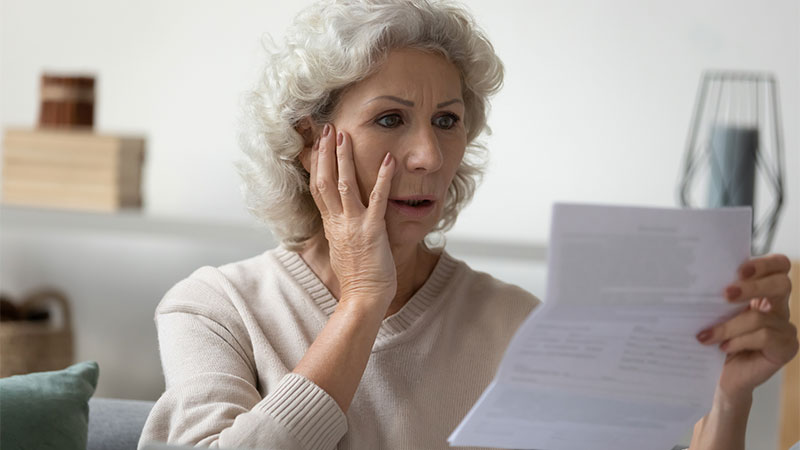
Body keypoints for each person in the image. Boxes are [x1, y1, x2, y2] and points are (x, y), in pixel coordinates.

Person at [138, 1, 798, 449]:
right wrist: (363, 302)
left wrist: (727, 394)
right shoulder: (214, 308)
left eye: (447, 121)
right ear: (313, 141)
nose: (429, 155)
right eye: (391, 118)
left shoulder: (516, 324)